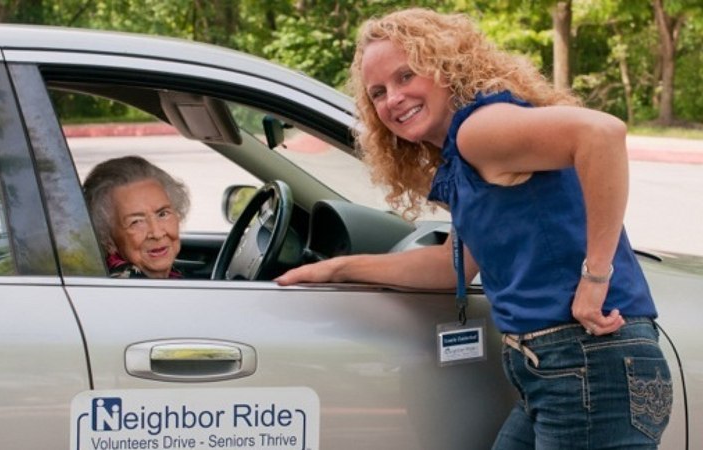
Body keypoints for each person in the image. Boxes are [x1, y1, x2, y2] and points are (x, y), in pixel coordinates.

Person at [276, 8, 672, 450]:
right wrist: (337, 270)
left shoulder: (478, 131)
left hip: (587, 359)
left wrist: (596, 277)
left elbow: (602, 134)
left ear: (447, 68)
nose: (394, 99)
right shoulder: (464, 158)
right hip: (556, 369)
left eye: (407, 76)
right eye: (378, 92)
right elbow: (453, 270)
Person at [83, 155, 190, 279]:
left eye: (163, 214)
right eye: (136, 222)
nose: (157, 233)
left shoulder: (162, 281)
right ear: (107, 239)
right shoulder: (126, 288)